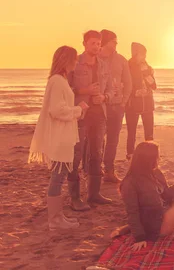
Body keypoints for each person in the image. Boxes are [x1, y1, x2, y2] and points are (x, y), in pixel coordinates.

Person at [29, 46, 89, 229]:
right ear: (66, 60)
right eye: (74, 59)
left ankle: (57, 216)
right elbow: (56, 110)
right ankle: (55, 219)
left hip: (64, 134)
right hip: (60, 136)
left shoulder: (59, 80)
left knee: (59, 175)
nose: (77, 62)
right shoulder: (57, 81)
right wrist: (79, 109)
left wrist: (78, 110)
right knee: (58, 176)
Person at [68, 30, 114, 209]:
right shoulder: (75, 64)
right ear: (85, 44)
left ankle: (94, 194)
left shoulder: (103, 65)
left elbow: (111, 89)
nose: (96, 46)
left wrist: (104, 98)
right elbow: (66, 89)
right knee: (76, 154)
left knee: (97, 153)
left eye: (98, 43)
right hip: (80, 114)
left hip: (99, 114)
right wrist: (85, 91)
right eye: (93, 43)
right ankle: (75, 198)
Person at [99, 29, 132, 183]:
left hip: (117, 106)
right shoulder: (95, 58)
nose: (116, 44)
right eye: (114, 41)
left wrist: (124, 102)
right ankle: (93, 169)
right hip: (99, 106)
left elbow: (128, 82)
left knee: (113, 139)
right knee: (97, 139)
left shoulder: (121, 60)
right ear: (106, 42)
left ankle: (109, 170)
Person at [125, 42, 156, 160]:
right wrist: (134, 93)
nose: (144, 57)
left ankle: (151, 155)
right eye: (142, 54)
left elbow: (153, 86)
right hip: (132, 105)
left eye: (145, 55)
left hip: (147, 104)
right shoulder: (127, 66)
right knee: (131, 132)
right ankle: (130, 154)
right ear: (136, 53)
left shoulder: (147, 68)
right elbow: (125, 85)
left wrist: (146, 73)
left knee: (149, 131)